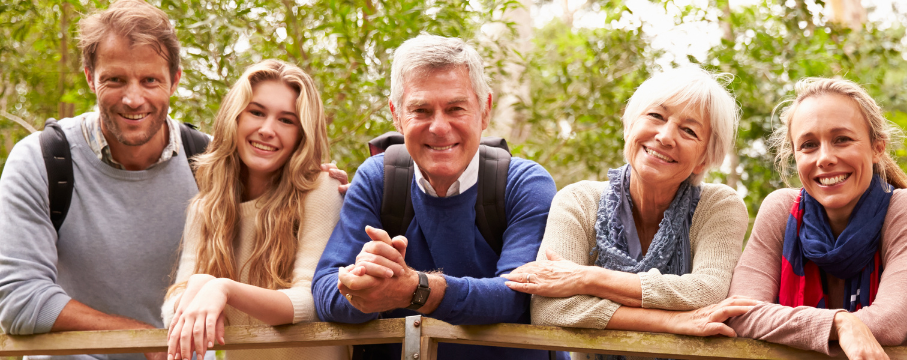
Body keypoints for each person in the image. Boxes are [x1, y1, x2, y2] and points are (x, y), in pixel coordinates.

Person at [311, 34, 559, 360]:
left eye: (456, 108)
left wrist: (417, 290)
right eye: (421, 110)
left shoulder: (525, 184)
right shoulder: (377, 179)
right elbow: (326, 289)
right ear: (396, 115)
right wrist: (365, 288)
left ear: (485, 110)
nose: (439, 127)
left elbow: (519, 294)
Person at [502, 66, 758, 360]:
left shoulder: (718, 206)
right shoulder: (578, 200)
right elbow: (550, 310)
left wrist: (586, 279)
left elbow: (707, 293)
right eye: (656, 116)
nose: (665, 136)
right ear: (630, 126)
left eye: (689, 130)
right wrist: (673, 321)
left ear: (704, 159)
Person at [0, 2, 195, 359]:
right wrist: (140, 337)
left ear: (175, 80)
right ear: (90, 77)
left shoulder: (210, 163)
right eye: (115, 79)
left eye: (150, 79)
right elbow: (20, 300)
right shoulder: (41, 161)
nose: (133, 98)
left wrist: (324, 184)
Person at [725, 78, 907, 360]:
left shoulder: (905, 208)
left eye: (842, 139)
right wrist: (840, 323)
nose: (825, 158)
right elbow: (740, 313)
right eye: (809, 145)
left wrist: (790, 325)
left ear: (877, 148)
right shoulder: (781, 209)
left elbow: (890, 323)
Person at [161, 60, 347, 360]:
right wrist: (200, 285)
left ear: (302, 134)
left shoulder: (320, 190)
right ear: (234, 118)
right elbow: (174, 311)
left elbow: (312, 302)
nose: (267, 130)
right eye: (256, 112)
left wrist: (223, 290)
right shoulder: (205, 207)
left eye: (286, 120)